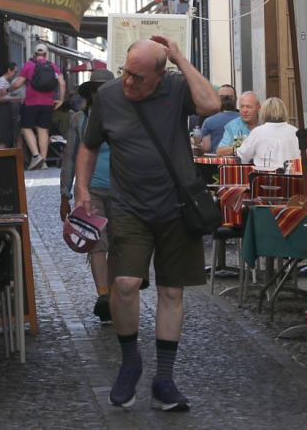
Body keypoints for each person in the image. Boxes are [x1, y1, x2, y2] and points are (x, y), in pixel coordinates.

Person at [74, 36, 219, 412]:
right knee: (123, 284)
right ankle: (130, 361)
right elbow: (88, 145)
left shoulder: (175, 86)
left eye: (138, 77)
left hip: (176, 208)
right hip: (129, 209)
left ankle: (164, 380)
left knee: (172, 293)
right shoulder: (107, 97)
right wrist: (82, 189)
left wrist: (181, 59)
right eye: (126, 72)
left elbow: (211, 104)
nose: (128, 82)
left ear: (160, 74)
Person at [59, 69, 115, 322]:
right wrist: (65, 194)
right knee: (97, 243)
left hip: (124, 190)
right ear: (91, 92)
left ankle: (115, 294)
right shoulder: (78, 120)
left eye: (106, 88)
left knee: (120, 243)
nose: (102, 93)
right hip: (90, 192)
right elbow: (69, 158)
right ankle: (103, 295)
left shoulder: (125, 117)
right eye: (97, 89)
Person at [9, 43, 66, 170]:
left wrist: (8, 90)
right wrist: (61, 100)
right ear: (46, 54)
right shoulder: (53, 66)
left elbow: (18, 84)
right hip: (48, 103)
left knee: (26, 127)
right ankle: (44, 162)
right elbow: (62, 83)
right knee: (43, 130)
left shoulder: (29, 65)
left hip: (31, 102)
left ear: (35, 54)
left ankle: (36, 155)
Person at [236, 96, 307, 170]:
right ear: (284, 112)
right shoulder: (295, 132)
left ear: (263, 112)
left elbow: (241, 157)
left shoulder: (257, 132)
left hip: (264, 179)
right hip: (292, 179)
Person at [216, 91, 260, 156]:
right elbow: (220, 152)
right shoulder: (232, 126)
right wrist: (239, 148)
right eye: (242, 106)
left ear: (258, 108)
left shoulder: (265, 125)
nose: (244, 110)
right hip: (239, 165)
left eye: (249, 107)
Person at [0, 61, 19, 149]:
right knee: (3, 138)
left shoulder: (5, 81)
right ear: (8, 70)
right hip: (2, 110)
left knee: (6, 138)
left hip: (5, 109)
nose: (15, 74)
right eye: (14, 71)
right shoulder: (2, 81)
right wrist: (14, 98)